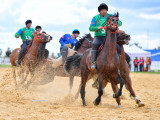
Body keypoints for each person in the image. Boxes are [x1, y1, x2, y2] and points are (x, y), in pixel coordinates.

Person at [89, 3, 127, 69]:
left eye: (105, 10)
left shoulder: (110, 16)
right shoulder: (95, 18)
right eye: (102, 10)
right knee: (95, 44)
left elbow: (120, 23)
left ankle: (118, 64)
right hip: (98, 37)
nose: (104, 11)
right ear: (100, 11)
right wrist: (98, 28)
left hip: (109, 37)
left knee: (118, 47)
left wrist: (113, 23)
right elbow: (90, 28)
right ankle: (93, 63)